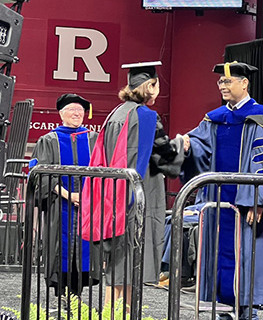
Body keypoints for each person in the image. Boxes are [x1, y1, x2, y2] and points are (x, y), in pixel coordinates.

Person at [81, 61, 186, 307]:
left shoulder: (115, 113)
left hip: (113, 195)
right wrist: (182, 144)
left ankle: (113, 312)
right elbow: (166, 159)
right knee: (131, 262)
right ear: (151, 85)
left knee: (119, 265)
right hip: (138, 195)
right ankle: (124, 313)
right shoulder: (147, 116)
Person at [182, 61, 263, 320]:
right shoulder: (214, 118)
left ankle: (248, 310)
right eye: (220, 82)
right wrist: (185, 145)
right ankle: (222, 310)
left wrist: (258, 200)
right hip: (218, 203)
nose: (222, 86)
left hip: (245, 203)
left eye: (228, 81)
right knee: (218, 255)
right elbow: (200, 148)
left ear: (244, 83)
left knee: (248, 256)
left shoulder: (259, 118)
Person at [29, 93, 99, 305]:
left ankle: (77, 298)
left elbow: (101, 171)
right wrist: (70, 195)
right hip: (59, 206)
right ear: (61, 114)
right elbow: (42, 174)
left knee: (84, 252)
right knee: (61, 250)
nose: (77, 114)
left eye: (80, 110)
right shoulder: (49, 140)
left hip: (87, 206)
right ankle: (61, 298)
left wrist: (86, 196)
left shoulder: (93, 139)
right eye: (72, 110)